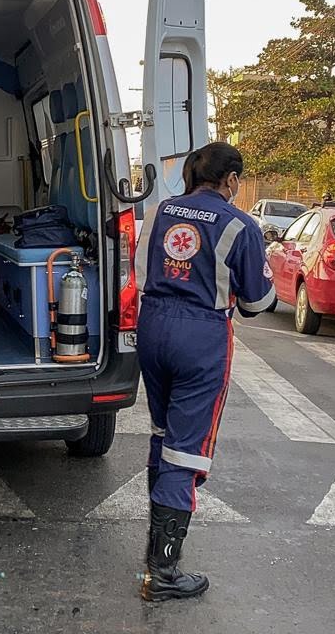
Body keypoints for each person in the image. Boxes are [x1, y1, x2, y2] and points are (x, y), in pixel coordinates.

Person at [133, 142, 276, 602]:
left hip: (153, 328)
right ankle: (165, 573)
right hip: (201, 336)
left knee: (162, 435)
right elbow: (258, 303)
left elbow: (138, 271)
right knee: (185, 451)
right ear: (231, 180)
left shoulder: (157, 213)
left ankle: (155, 552)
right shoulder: (240, 225)